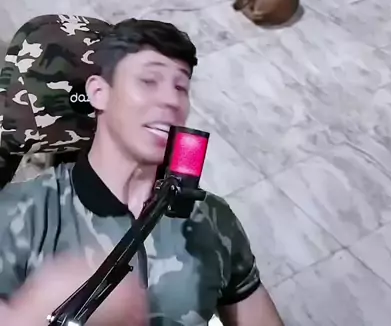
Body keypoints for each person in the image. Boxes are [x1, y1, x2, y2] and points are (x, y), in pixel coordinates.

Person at [0, 18, 284, 326]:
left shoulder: (213, 218)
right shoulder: (19, 214)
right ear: (98, 92)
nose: (172, 100)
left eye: (181, 87)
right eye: (149, 81)